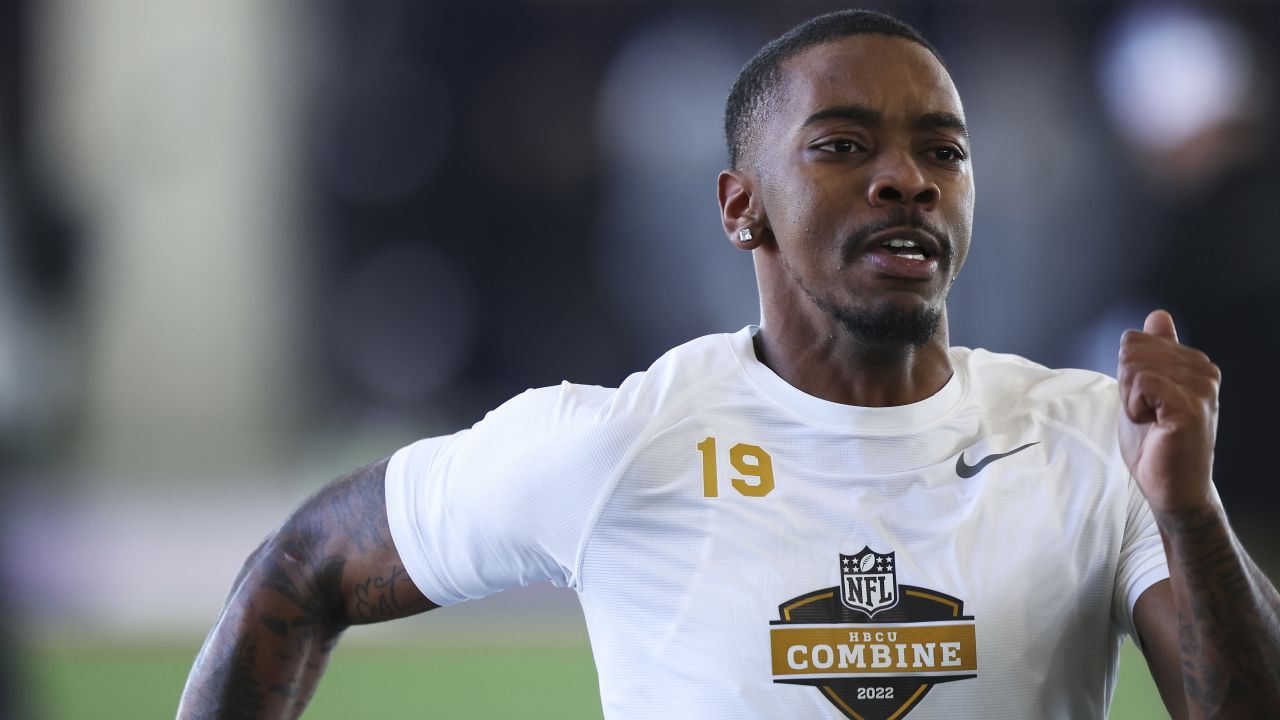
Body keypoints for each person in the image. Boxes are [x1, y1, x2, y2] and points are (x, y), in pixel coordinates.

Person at [178, 10, 1280, 719]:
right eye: (843, 146)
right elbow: (300, 567)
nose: (906, 179)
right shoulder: (617, 443)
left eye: (940, 150)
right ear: (738, 206)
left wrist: (1188, 514)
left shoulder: (1090, 436)